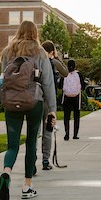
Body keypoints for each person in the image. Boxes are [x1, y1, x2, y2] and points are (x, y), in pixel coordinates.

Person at [0, 20, 57, 200]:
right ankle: (26, 186)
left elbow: (3, 78)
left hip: (11, 102)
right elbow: (47, 82)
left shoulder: (8, 52)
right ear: (35, 33)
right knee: (31, 142)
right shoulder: (39, 52)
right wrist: (52, 110)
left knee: (12, 145)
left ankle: (6, 172)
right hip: (34, 102)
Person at [39, 41, 68, 170]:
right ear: (52, 51)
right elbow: (65, 72)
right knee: (47, 132)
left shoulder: (36, 60)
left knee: (34, 132)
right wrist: (57, 58)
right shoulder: (53, 62)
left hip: (34, 99)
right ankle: (46, 160)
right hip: (48, 101)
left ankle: (31, 161)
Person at [61, 58, 84, 140]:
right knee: (76, 116)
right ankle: (75, 134)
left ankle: (67, 134)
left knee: (66, 116)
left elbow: (60, 85)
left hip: (66, 98)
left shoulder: (64, 74)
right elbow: (83, 85)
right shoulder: (79, 74)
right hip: (76, 97)